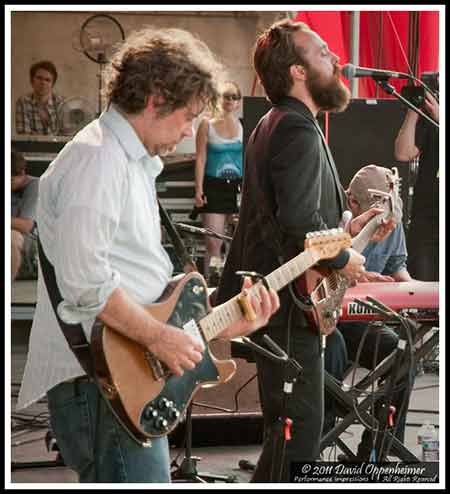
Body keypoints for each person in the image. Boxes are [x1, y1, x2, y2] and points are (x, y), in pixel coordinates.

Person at [16, 27, 280, 483]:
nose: (188, 132)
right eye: (188, 115)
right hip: (100, 385)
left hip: (123, 381)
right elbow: (86, 285)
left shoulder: (128, 161)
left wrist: (225, 320)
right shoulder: (97, 159)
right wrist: (159, 339)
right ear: (157, 97)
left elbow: (145, 289)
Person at [215, 20, 393, 482]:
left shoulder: (277, 124)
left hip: (280, 302)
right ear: (297, 70)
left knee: (287, 435)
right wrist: (344, 259)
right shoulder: (295, 128)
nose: (334, 57)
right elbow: (299, 226)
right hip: (288, 305)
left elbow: (299, 219)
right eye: (321, 52)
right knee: (299, 438)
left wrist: (352, 229)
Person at [324, 164, 415, 461]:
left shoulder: (392, 218)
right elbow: (321, 271)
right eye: (377, 220)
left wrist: (420, 292)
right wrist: (358, 276)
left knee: (403, 354)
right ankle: (317, 444)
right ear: (353, 203)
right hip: (324, 315)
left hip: (359, 317)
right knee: (332, 348)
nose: (384, 227)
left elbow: (397, 268)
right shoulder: (334, 217)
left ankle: (375, 452)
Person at [194, 80, 243, 280]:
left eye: (234, 97)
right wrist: (198, 190)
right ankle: (213, 282)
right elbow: (200, 157)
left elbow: (247, 158)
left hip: (237, 188)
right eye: (226, 96)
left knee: (236, 243)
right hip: (213, 186)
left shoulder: (243, 125)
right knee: (214, 243)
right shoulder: (207, 124)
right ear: (218, 99)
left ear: (239, 102)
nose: (230, 100)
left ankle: (232, 285)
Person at [394, 80, 439, 281]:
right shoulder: (433, 111)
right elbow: (403, 153)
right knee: (422, 291)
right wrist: (414, 109)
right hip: (426, 220)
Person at [11, 148, 39, 281]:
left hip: (31, 241)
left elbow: (26, 225)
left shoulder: (35, 186)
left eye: (11, 180)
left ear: (22, 173)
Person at [15, 60, 64, 135]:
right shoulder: (23, 102)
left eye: (47, 80)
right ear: (32, 80)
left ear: (52, 84)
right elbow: (24, 136)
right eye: (39, 78)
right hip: (30, 147)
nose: (43, 83)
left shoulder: (62, 103)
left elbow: (65, 136)